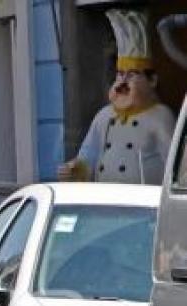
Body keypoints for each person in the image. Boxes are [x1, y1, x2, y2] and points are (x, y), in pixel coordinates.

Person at [59, 10, 174, 186]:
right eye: (120, 74)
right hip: (107, 201)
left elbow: (176, 165)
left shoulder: (160, 117)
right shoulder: (104, 116)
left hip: (144, 203)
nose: (122, 82)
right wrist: (75, 169)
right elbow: (88, 156)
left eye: (132, 75)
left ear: (152, 80)